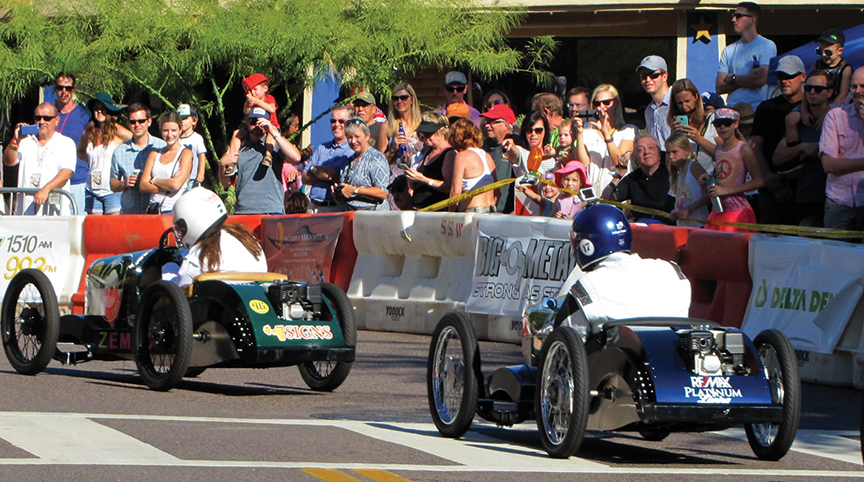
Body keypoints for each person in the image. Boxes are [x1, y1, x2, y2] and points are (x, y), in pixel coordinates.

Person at [554, 203, 691, 334]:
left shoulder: (587, 285)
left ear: (587, 244)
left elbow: (566, 333)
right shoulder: (671, 270)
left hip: (620, 349)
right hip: (676, 347)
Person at [165, 187, 268, 287]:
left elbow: (177, 291)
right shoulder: (248, 240)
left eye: (181, 227)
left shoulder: (196, 260)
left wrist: (168, 268)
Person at [751, 55, 806, 225]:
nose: (784, 81)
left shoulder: (814, 107)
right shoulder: (766, 108)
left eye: (790, 76)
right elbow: (755, 148)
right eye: (781, 76)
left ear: (803, 77)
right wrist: (771, 181)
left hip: (805, 188)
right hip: (771, 190)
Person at [773, 71, 832, 226]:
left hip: (835, 197)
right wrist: (803, 147)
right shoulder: (797, 119)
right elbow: (777, 158)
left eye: (818, 89)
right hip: (806, 195)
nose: (812, 92)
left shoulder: (838, 117)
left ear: (829, 92)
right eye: (808, 88)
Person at [220, 108, 299, 215]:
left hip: (271, 211)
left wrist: (273, 132)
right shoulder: (239, 145)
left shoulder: (274, 143)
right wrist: (222, 164)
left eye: (261, 122)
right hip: (243, 211)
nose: (257, 126)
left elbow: (296, 158)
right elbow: (226, 183)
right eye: (253, 122)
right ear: (247, 121)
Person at [3, 103, 76, 215]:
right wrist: (15, 140)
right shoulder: (25, 142)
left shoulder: (66, 143)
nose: (42, 122)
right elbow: (9, 161)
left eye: (47, 118)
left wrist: (46, 189)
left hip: (54, 211)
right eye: (38, 118)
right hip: (25, 211)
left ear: (56, 120)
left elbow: (66, 173)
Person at [819, 67, 864, 230]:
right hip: (839, 201)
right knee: (834, 246)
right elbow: (829, 165)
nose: (857, 91)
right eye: (854, 86)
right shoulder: (835, 116)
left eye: (863, 86)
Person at [706, 108, 764, 232]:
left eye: (727, 123)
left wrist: (727, 190)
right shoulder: (718, 149)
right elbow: (723, 177)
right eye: (718, 124)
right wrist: (708, 178)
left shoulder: (743, 148)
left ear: (736, 124)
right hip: (719, 210)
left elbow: (759, 181)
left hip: (738, 211)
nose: (722, 127)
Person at [574, 84, 638, 197]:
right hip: (593, 193)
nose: (601, 107)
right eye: (597, 103)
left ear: (616, 103)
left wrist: (606, 133)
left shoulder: (628, 131)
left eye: (606, 102)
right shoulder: (588, 130)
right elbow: (583, 163)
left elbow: (619, 162)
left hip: (618, 194)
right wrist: (579, 133)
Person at [715, 2, 776, 110]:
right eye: (733, 16)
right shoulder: (728, 50)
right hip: (732, 109)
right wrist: (749, 78)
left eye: (738, 16)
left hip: (756, 108)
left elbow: (760, 81)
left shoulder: (766, 45)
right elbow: (719, 87)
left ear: (752, 20)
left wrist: (732, 78)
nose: (733, 19)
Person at [602, 134, 674, 224]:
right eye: (640, 150)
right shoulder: (633, 179)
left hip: (669, 226)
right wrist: (619, 174)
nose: (646, 152)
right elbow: (606, 199)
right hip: (642, 226)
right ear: (636, 158)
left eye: (651, 148)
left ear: (659, 154)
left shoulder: (672, 174)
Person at [79, 92, 132, 215]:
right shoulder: (88, 132)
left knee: (113, 226)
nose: (99, 111)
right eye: (96, 108)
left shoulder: (117, 130)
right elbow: (80, 151)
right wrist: (92, 162)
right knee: (95, 226)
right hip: (92, 190)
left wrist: (123, 166)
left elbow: (138, 142)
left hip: (112, 191)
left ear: (109, 110)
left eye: (103, 108)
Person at [110, 103, 167, 214]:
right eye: (133, 122)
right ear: (128, 124)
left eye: (141, 121)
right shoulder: (119, 151)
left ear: (149, 122)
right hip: (130, 212)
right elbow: (113, 184)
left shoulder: (161, 147)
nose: (137, 125)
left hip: (156, 210)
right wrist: (124, 183)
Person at [140, 111, 193, 214]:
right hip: (153, 210)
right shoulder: (154, 154)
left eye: (173, 130)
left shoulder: (185, 153)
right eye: (165, 130)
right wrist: (168, 184)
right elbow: (143, 186)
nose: (169, 135)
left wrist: (154, 179)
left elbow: (176, 185)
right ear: (161, 131)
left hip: (173, 210)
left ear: (180, 130)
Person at [303, 106, 354, 213]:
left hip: (334, 208)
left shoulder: (351, 151)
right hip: (313, 207)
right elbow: (304, 178)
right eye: (333, 121)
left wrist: (314, 169)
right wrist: (319, 172)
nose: (336, 124)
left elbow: (334, 176)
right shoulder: (322, 147)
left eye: (341, 121)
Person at [51, 73, 90, 212]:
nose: (64, 91)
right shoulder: (47, 114)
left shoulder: (83, 115)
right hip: (51, 180)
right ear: (55, 89)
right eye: (60, 88)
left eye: (68, 88)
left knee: (77, 222)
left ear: (74, 90)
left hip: (77, 181)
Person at [666, 79, 721, 174]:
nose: (684, 107)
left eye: (687, 101)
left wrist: (699, 139)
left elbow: (725, 153)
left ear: (696, 97)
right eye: (680, 103)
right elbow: (670, 164)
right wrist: (673, 137)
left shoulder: (711, 120)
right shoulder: (676, 123)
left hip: (711, 176)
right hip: (686, 178)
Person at [333, 119, 389, 211]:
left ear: (367, 136)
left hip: (372, 214)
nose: (353, 141)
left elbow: (383, 192)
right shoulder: (347, 162)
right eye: (349, 137)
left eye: (357, 136)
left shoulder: (376, 158)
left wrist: (355, 190)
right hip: (350, 213)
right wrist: (339, 193)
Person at [404, 114, 454, 210]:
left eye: (429, 134)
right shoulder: (428, 151)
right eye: (423, 133)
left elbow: (449, 187)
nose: (425, 137)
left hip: (437, 209)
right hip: (420, 207)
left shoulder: (449, 154)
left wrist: (423, 179)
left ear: (442, 132)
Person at [448, 118, 497, 213]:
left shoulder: (462, 156)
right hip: (491, 210)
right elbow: (497, 191)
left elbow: (455, 192)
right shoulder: (487, 155)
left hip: (473, 211)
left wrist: (450, 213)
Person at [481, 104, 520, 213]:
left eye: (493, 122)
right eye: (487, 121)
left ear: (506, 125)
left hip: (510, 212)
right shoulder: (484, 145)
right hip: (487, 210)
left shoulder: (517, 143)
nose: (487, 125)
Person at [666, 131, 710, 227]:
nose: (671, 156)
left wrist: (690, 208)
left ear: (687, 150)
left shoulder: (693, 167)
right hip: (684, 224)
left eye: (674, 152)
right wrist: (676, 211)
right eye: (668, 153)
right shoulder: (678, 172)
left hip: (699, 223)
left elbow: (710, 193)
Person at [504, 111, 556, 176]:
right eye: (529, 130)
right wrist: (511, 146)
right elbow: (515, 153)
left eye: (538, 130)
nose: (533, 134)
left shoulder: (553, 157)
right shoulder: (523, 154)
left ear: (545, 131)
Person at [638, 55, 672, 151]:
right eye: (643, 76)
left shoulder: (677, 102)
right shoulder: (649, 110)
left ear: (664, 77)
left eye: (654, 75)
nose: (648, 80)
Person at [387, 82, 423, 167]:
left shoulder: (422, 124)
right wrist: (392, 150)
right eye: (395, 98)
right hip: (395, 173)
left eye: (404, 98)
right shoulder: (387, 126)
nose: (399, 101)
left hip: (417, 172)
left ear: (412, 99)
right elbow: (380, 161)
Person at [178, 104, 207, 189]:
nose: (182, 121)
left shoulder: (197, 138)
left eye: (185, 118)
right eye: (179, 118)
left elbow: (202, 156)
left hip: (192, 178)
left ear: (194, 121)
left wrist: (201, 173)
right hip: (178, 177)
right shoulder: (175, 138)